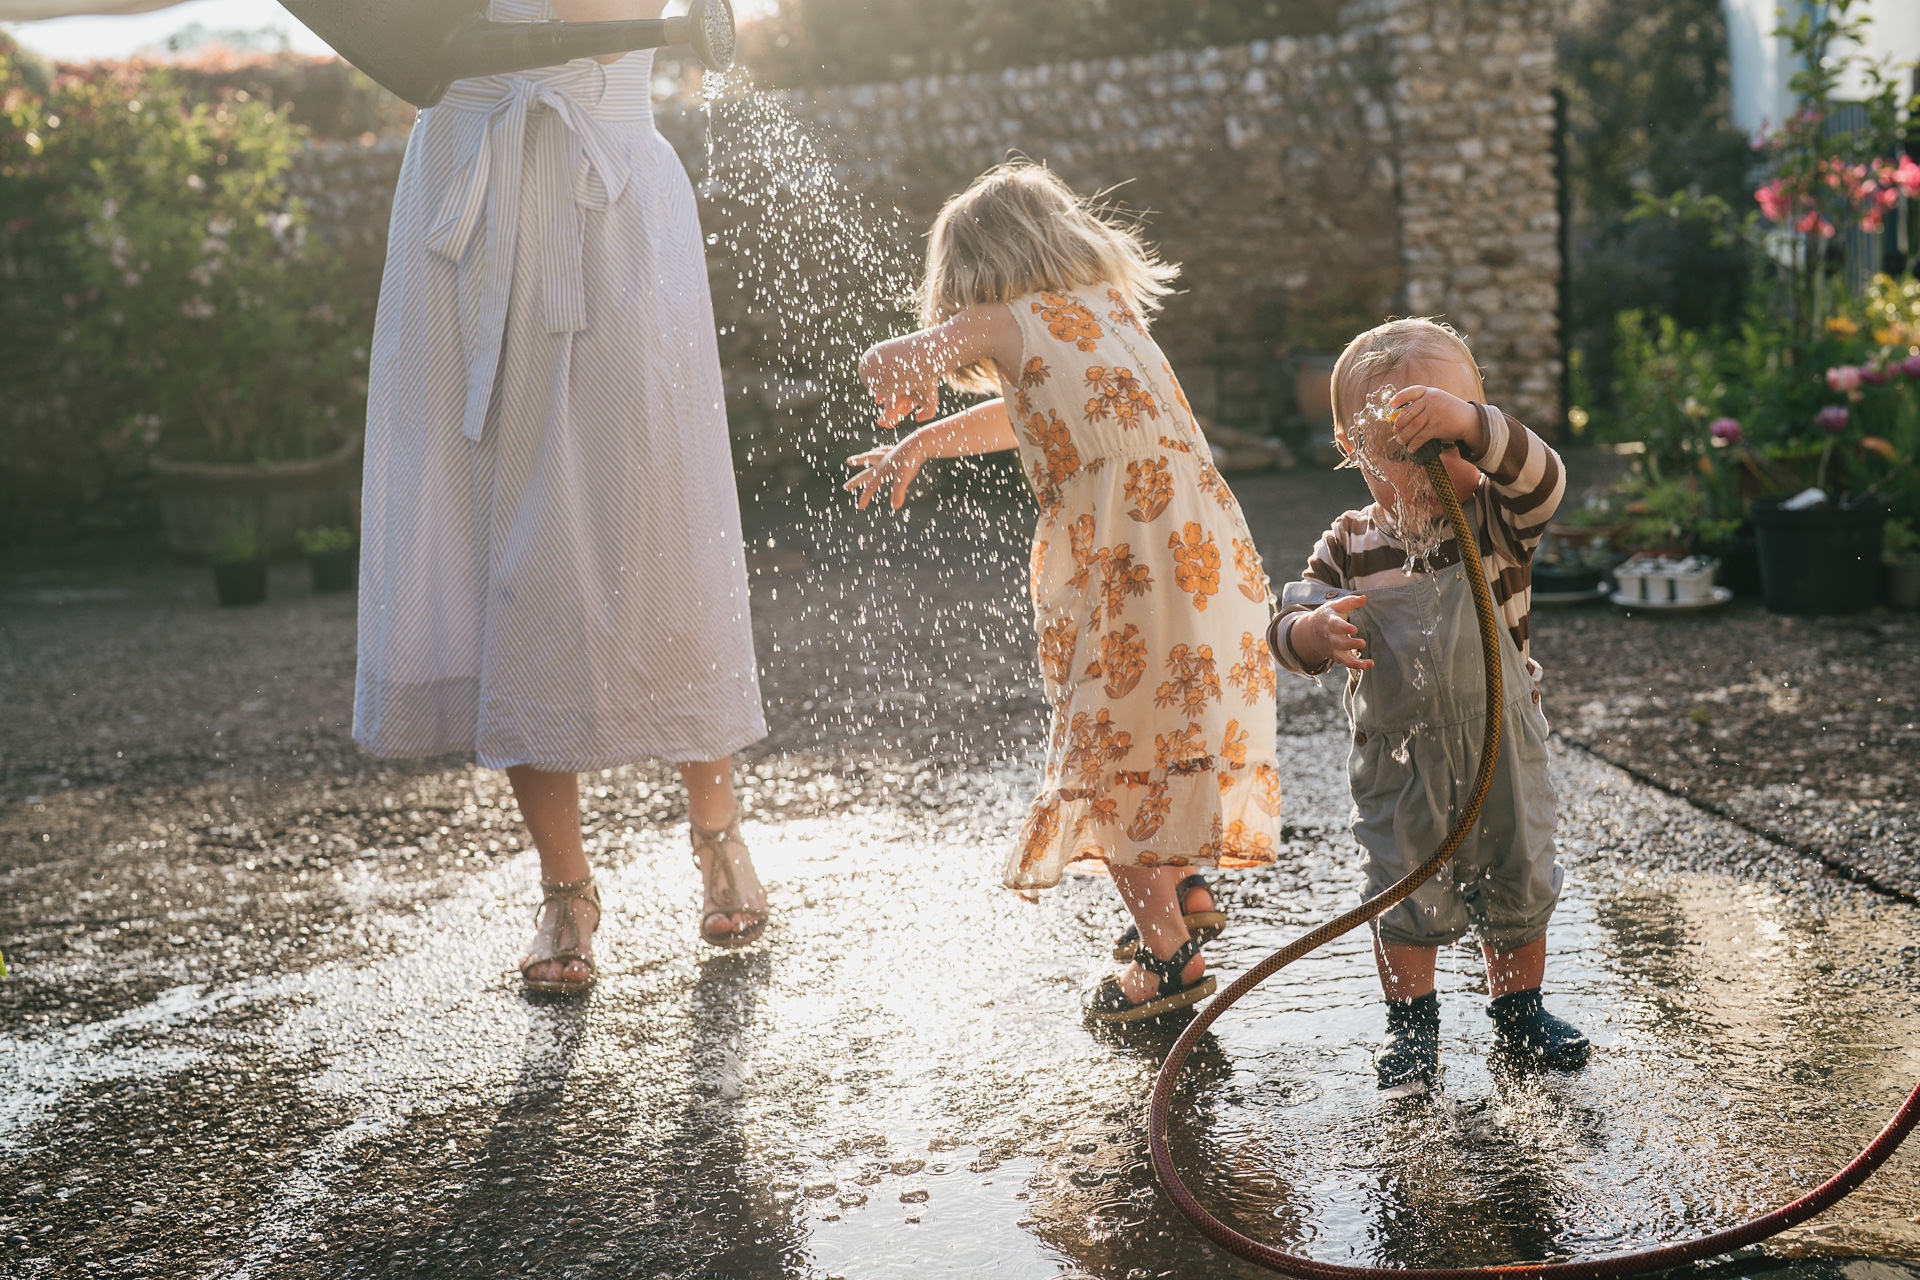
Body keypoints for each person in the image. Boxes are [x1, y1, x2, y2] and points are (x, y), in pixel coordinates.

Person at [354, 0, 770, 993]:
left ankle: (715, 827)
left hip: (601, 198)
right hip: (467, 184)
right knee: (490, 522)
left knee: (656, 514)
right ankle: (565, 886)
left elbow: (610, 22)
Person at [846, 162, 1283, 1023]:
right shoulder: (1102, 314)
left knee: (1104, 755)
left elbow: (882, 357)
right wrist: (925, 442)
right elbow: (1023, 415)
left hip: (1119, 554)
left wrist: (904, 368)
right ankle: (1186, 888)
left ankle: (1170, 966)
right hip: (1198, 545)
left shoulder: (999, 320)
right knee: (1166, 717)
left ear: (970, 269)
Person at [1268, 317, 1589, 1093]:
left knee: (1518, 874)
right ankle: (1412, 1024)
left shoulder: (1495, 519)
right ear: (1353, 450)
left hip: (1499, 747)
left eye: (1451, 443)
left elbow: (1546, 477)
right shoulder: (1348, 545)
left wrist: (1476, 427)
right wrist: (1311, 631)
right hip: (1399, 757)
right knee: (1403, 886)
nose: (1432, 467)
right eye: (1402, 449)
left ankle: (1519, 1013)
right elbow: (1285, 625)